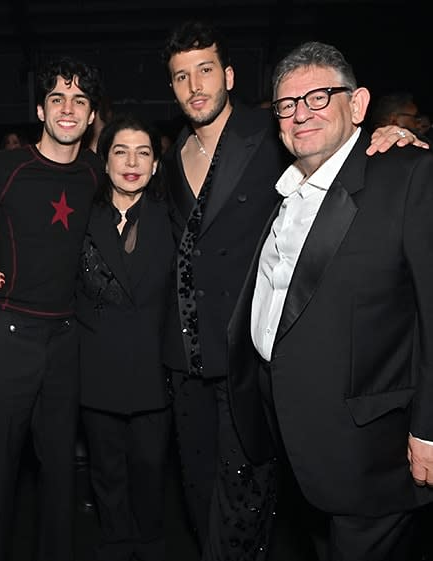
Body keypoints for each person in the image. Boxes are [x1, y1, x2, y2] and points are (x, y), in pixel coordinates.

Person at [159, 19, 429, 561]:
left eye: (318, 97)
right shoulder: (276, 184)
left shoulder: (398, 173)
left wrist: (429, 427)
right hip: (266, 410)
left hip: (361, 437)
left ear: (357, 106)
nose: (301, 112)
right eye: (288, 104)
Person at [0, 55, 104, 561]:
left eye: (79, 101)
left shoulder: (94, 172)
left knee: (58, 475)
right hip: (8, 335)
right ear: (42, 110)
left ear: (92, 116)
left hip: (66, 341)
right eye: (57, 99)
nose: (68, 109)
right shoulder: (5, 168)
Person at [77, 113, 175, 561]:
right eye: (120, 151)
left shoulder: (173, 216)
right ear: (105, 160)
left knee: (151, 468)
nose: (131, 162)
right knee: (107, 471)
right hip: (97, 366)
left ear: (157, 163)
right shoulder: (81, 216)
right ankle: (115, 543)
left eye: (143, 152)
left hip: (155, 369)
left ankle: (152, 542)